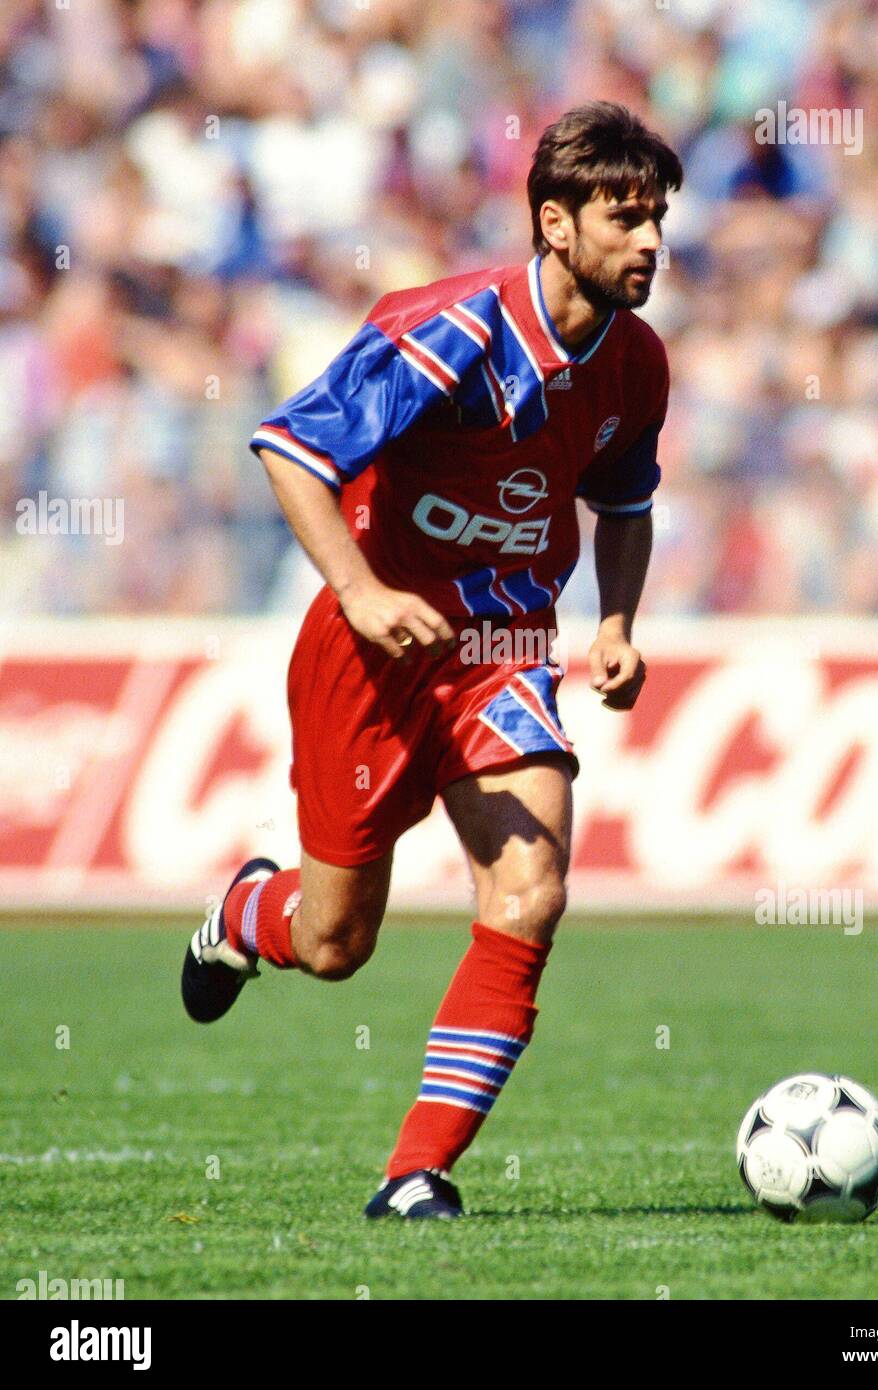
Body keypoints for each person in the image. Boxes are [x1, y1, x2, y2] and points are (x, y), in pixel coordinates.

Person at [180, 101, 682, 1219]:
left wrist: (615, 624)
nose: (649, 242)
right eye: (624, 218)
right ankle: (248, 914)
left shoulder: (637, 363)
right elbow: (289, 448)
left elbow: (626, 502)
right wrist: (359, 592)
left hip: (503, 652)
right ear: (555, 224)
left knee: (531, 884)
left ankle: (416, 1174)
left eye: (658, 218)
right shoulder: (451, 328)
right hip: (367, 653)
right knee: (333, 941)